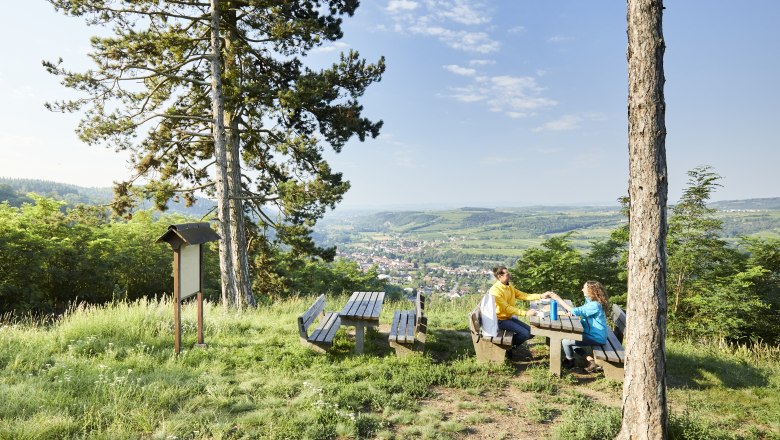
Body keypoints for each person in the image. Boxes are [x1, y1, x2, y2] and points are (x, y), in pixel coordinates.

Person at [488, 265, 552, 358]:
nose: (509, 275)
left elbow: (524, 295)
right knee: (525, 334)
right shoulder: (495, 291)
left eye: (508, 273)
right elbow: (506, 308)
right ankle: (508, 349)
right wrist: (525, 313)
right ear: (499, 276)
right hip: (500, 320)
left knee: (531, 332)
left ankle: (509, 347)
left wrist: (541, 296)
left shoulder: (508, 286)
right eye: (506, 274)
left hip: (508, 317)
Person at [548, 280, 609, 373]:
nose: (582, 290)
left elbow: (575, 310)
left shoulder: (595, 305)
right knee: (571, 340)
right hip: (591, 333)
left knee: (566, 342)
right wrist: (574, 313)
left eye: (584, 288)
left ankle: (570, 361)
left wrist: (558, 298)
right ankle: (590, 360)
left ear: (591, 290)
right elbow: (580, 311)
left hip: (596, 337)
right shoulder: (590, 301)